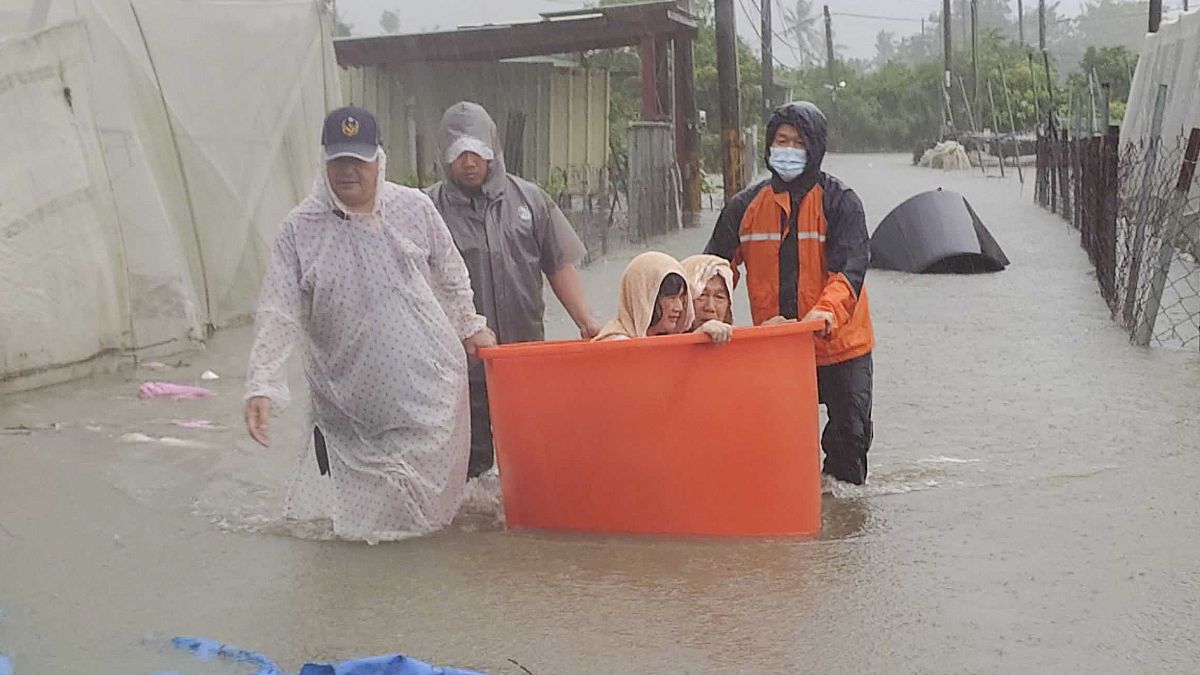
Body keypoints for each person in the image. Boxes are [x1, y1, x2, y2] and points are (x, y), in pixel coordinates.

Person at [242, 105, 496, 542]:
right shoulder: (299, 229)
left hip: (427, 395)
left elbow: (452, 273)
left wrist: (470, 325)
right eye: (338, 161)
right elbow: (277, 310)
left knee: (425, 525)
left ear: (379, 160)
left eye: (358, 161)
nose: (348, 172)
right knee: (361, 532)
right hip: (347, 406)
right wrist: (262, 383)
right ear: (324, 163)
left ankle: (415, 596)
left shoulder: (413, 209)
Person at [427, 101, 602, 478]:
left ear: (492, 149)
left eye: (477, 151)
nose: (469, 163)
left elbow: (558, 264)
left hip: (524, 361)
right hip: (458, 370)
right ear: (444, 155)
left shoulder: (531, 200)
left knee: (530, 461)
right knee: (467, 473)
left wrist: (586, 320)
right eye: (459, 154)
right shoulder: (426, 209)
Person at [704, 101, 875, 485]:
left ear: (815, 148)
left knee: (850, 445)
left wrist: (824, 313)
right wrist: (704, 317)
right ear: (768, 146)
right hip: (776, 347)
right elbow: (713, 274)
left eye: (799, 142)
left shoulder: (841, 203)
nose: (788, 149)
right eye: (781, 140)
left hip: (840, 346)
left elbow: (850, 272)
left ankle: (840, 528)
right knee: (775, 446)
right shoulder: (743, 207)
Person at [593, 252, 731, 343]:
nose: (679, 307)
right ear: (644, 297)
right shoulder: (615, 342)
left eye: (682, 298)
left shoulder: (664, 339)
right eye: (670, 297)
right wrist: (695, 341)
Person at [681, 254, 735, 327]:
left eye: (719, 297)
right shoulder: (662, 336)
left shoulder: (741, 337)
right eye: (701, 295)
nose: (710, 307)